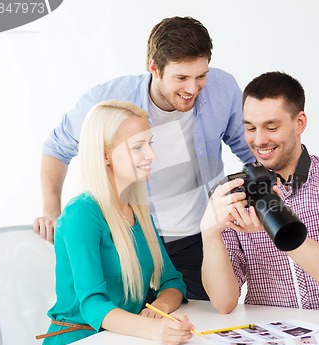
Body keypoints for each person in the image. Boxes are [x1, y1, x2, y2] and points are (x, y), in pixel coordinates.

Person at [33, 16, 254, 300]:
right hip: (128, 238)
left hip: (193, 237)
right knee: (127, 327)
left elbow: (249, 149)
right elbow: (56, 148)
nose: (193, 89)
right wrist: (51, 210)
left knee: (199, 326)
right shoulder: (109, 100)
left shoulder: (222, 88)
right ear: (154, 69)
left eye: (201, 76)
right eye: (181, 78)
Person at [200, 71, 319, 314]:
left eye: (271, 127)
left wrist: (278, 227)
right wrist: (209, 234)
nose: (259, 140)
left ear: (300, 123)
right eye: (250, 128)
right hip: (266, 337)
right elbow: (224, 302)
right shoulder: (233, 193)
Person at [39, 100, 194, 345]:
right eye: (138, 147)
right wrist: (154, 330)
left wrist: (161, 310)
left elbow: (173, 282)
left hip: (122, 341)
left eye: (150, 143)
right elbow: (92, 304)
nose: (151, 155)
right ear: (105, 155)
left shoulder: (140, 214)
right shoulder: (82, 214)